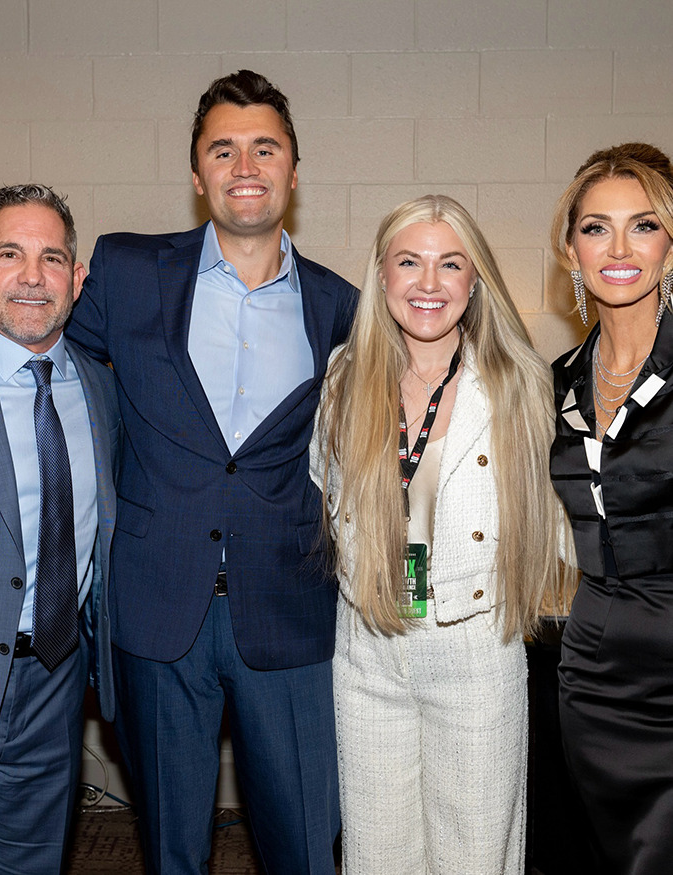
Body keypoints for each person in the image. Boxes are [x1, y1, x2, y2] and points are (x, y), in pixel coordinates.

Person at [66, 70, 357, 874]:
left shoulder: (341, 306)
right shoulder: (125, 272)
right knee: (172, 853)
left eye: (265, 146)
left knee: (305, 847)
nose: (245, 165)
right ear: (197, 176)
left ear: (294, 171)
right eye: (222, 149)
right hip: (158, 607)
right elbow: (59, 373)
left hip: (291, 611)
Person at [311, 194, 572, 874]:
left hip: (477, 648)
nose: (429, 284)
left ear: (474, 281)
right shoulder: (344, 378)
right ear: (382, 274)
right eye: (410, 262)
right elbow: (325, 483)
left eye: (450, 264)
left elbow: (557, 517)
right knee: (376, 853)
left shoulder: (519, 383)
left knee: (477, 851)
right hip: (368, 645)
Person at [0, 184, 120, 874]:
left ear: (77, 278)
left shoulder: (100, 389)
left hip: (53, 686)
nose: (33, 276)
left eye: (52, 258)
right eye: (11, 253)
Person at [550, 142, 673, 874]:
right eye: (597, 227)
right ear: (572, 248)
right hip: (594, 674)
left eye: (645, 225)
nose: (620, 248)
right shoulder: (559, 379)